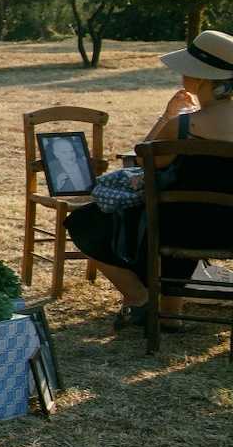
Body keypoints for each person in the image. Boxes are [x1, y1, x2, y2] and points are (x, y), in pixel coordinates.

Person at [65, 30, 233, 333]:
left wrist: (167, 116)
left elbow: (145, 161)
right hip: (229, 228)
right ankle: (170, 313)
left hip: (179, 228)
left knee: (84, 219)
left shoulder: (184, 126)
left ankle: (139, 296)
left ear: (202, 81)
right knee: (183, 211)